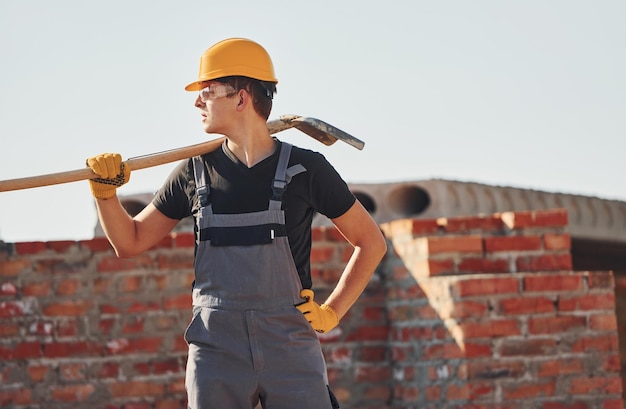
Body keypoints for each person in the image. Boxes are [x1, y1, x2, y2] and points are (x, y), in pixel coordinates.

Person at [86, 37, 387, 409]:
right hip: (216, 352)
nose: (198, 101)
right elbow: (128, 241)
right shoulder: (194, 174)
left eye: (208, 91)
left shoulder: (306, 170)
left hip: (289, 348)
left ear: (242, 98)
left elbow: (371, 242)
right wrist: (105, 195)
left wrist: (331, 312)